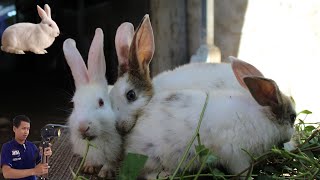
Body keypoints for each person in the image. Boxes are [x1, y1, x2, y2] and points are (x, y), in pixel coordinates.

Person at [0, 115, 52, 180]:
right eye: (23, 128)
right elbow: (6, 173)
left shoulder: (32, 146)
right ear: (14, 129)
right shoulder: (7, 147)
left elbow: (40, 168)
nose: (26, 132)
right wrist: (34, 171)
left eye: (28, 129)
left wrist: (45, 156)